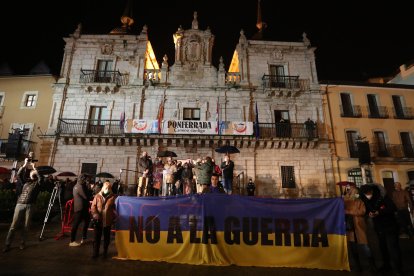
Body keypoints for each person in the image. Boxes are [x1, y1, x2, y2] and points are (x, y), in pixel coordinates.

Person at [360, 184, 403, 275]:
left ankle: (398, 269)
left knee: (393, 248)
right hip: (379, 228)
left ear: (372, 191)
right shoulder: (365, 200)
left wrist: (379, 212)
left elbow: (393, 208)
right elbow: (367, 210)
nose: (368, 195)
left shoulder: (382, 197)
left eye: (369, 192)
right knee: (383, 248)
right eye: (366, 194)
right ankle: (387, 266)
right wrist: (370, 214)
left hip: (390, 226)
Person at [3, 158, 43, 253]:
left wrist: (35, 168)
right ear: (29, 175)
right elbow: (19, 174)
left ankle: (22, 243)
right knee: (13, 226)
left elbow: (41, 178)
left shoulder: (37, 184)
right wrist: (24, 165)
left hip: (30, 205)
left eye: (34, 173)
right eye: (32, 172)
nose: (32, 173)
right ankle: (7, 244)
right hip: (20, 204)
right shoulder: (25, 182)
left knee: (26, 226)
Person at [343, 185, 375, 272]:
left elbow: (362, 211)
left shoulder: (360, 201)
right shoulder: (345, 202)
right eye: (354, 192)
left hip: (359, 226)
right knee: (353, 248)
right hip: (350, 228)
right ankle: (358, 266)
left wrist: (349, 212)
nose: (356, 194)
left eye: (357, 192)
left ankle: (372, 265)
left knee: (365, 246)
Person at [90, 181, 117, 258]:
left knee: (106, 238)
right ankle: (95, 253)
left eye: (108, 188)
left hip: (107, 221)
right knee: (96, 238)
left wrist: (114, 216)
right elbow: (93, 207)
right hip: (98, 220)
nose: (106, 189)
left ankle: (105, 252)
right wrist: (95, 214)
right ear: (103, 188)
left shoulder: (112, 197)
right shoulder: (97, 196)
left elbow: (115, 208)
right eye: (105, 188)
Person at [69, 174, 91, 247]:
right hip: (80, 208)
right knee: (76, 224)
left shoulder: (78, 185)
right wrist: (89, 188)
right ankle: (72, 241)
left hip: (82, 208)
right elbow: (86, 196)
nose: (86, 181)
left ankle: (84, 238)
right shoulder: (79, 186)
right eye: (85, 179)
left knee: (87, 222)